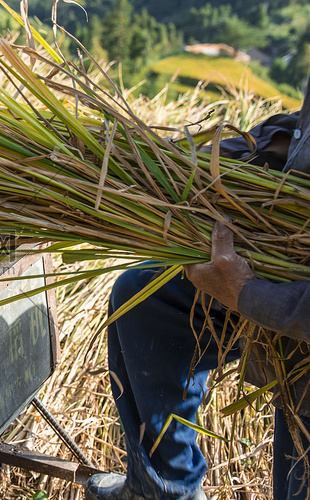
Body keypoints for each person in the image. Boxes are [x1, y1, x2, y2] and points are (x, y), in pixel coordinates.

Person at [85, 77, 310, 500]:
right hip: (294, 251)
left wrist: (246, 293)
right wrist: (244, 153)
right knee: (148, 296)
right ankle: (164, 487)